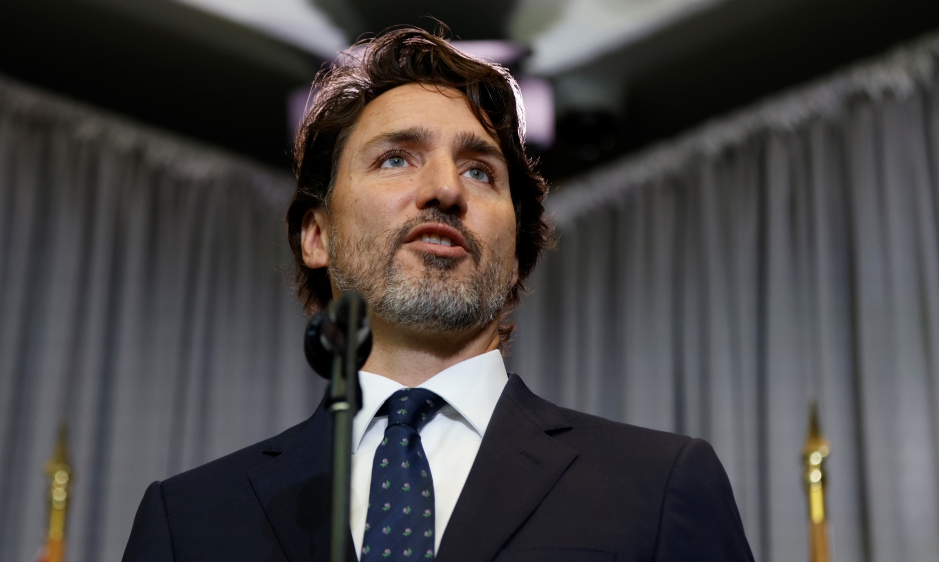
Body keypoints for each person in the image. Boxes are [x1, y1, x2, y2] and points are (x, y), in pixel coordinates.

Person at [122, 27, 754, 562]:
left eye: (480, 171)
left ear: (516, 252)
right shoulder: (189, 520)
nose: (446, 189)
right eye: (396, 158)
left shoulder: (659, 486)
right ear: (317, 236)